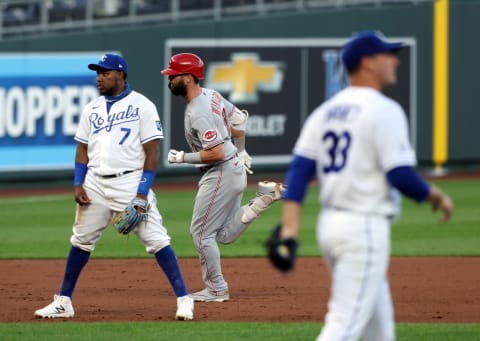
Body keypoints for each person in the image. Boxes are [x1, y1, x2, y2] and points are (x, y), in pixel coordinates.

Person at [275, 31, 453, 340]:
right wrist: (435, 194)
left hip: (330, 227)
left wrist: (289, 232)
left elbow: (300, 172)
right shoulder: (384, 109)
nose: (394, 61)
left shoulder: (325, 111)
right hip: (363, 228)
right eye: (388, 55)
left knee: (380, 332)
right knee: (342, 325)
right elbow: (400, 176)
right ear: (368, 63)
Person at [34, 53, 194, 320]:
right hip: (95, 182)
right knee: (81, 240)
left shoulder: (143, 105)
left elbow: (152, 152)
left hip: (130, 181)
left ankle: (184, 299)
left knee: (157, 240)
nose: (99, 78)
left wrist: (142, 192)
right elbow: (82, 149)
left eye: (105, 73)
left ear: (121, 75)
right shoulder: (91, 108)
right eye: (98, 73)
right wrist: (78, 182)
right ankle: (63, 301)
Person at [161, 53, 284, 302]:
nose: (170, 79)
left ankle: (216, 289)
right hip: (232, 166)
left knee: (201, 234)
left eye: (173, 75)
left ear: (188, 77)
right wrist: (241, 150)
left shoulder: (199, 111)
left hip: (221, 171)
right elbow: (239, 118)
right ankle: (263, 199)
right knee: (223, 235)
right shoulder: (211, 95)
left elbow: (215, 152)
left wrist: (182, 158)